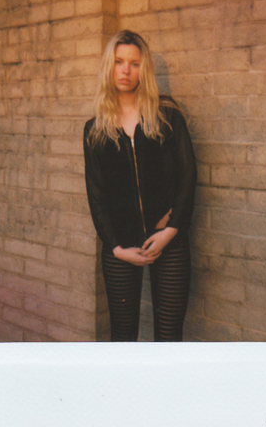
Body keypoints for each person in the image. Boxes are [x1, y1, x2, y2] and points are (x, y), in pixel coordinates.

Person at [83, 30, 197, 342]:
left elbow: (188, 176)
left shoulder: (167, 116)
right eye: (119, 62)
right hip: (121, 244)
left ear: (143, 70)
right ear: (109, 67)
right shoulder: (95, 129)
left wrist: (170, 231)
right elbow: (96, 194)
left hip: (168, 238)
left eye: (134, 64)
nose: (125, 70)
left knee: (168, 338)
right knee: (122, 337)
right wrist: (116, 248)